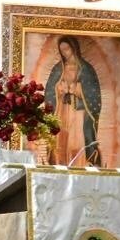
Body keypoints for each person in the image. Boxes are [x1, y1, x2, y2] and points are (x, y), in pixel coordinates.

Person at [43, 35, 102, 166]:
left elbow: (93, 94)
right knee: (62, 139)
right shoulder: (58, 68)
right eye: (62, 50)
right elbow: (50, 90)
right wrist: (59, 89)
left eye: (67, 49)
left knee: (77, 141)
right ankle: (60, 165)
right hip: (62, 110)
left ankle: (79, 165)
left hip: (79, 111)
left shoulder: (86, 69)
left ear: (74, 48)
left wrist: (78, 89)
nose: (64, 53)